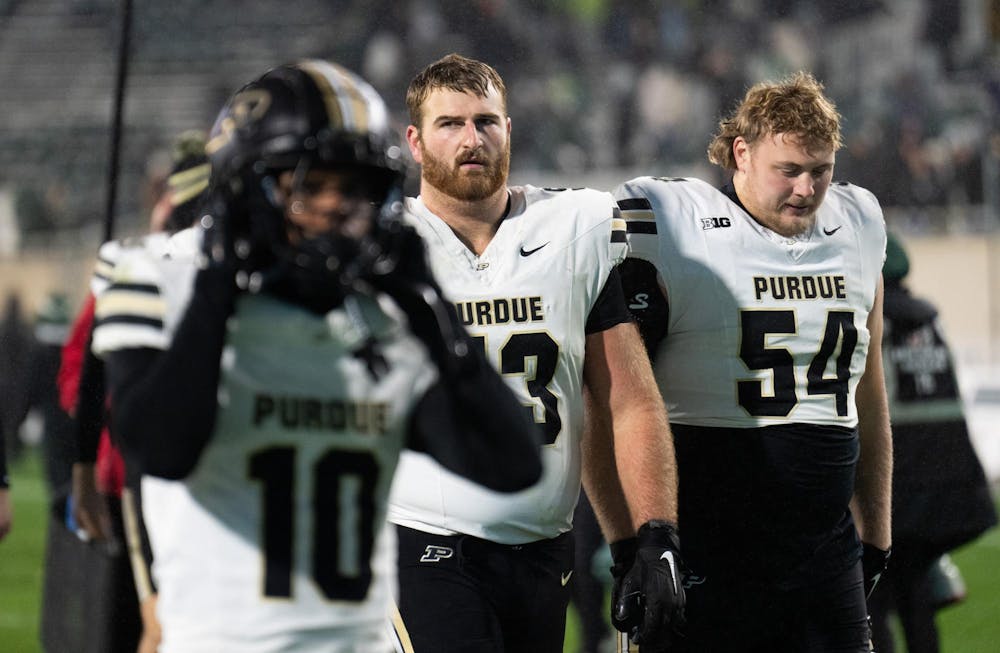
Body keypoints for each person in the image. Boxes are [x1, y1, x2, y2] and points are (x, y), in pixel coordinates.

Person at [92, 58, 544, 652]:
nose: (336, 207)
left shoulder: (379, 322)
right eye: (309, 185)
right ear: (244, 191)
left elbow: (511, 465)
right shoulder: (161, 277)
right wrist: (217, 286)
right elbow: (162, 448)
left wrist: (434, 314)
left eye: (354, 188)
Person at [387, 53, 683, 653]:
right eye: (450, 124)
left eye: (485, 121)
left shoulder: (577, 226)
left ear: (509, 129)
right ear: (415, 142)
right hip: (423, 542)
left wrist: (649, 535)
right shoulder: (381, 246)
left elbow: (627, 399)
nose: (472, 139)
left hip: (545, 547)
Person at [613, 71, 893, 652]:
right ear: (741, 153)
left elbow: (868, 388)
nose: (805, 189)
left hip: (825, 553)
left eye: (820, 170)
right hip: (707, 551)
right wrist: (633, 540)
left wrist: (879, 535)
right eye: (787, 170)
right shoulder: (673, 224)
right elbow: (616, 394)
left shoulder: (859, 221)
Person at [867, 232, 997, 653]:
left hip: (897, 491)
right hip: (949, 489)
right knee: (917, 599)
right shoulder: (929, 321)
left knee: (875, 600)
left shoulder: (876, 325)